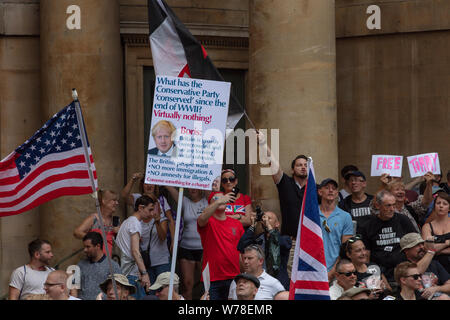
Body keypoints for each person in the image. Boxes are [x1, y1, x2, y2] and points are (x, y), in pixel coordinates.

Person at [256, 132, 307, 277]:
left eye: (305, 165)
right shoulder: (286, 184)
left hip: (310, 242)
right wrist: (263, 143)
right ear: (293, 169)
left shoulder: (315, 188)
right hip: (292, 243)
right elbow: (273, 165)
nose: (303, 167)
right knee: (291, 280)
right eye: (299, 165)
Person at [358, 190, 417, 283]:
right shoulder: (368, 225)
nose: (392, 209)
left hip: (403, 270)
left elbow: (416, 244)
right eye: (388, 205)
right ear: (378, 206)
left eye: (394, 205)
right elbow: (366, 255)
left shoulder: (403, 220)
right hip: (380, 272)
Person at [197, 192, 244, 300]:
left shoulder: (236, 223)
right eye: (216, 198)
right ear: (210, 205)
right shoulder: (208, 222)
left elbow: (242, 252)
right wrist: (219, 201)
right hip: (212, 279)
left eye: (223, 197)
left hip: (234, 277)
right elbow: (202, 218)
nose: (221, 199)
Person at [166, 186, 208, 299]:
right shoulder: (185, 202)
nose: (193, 189)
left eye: (196, 187)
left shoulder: (208, 201)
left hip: (204, 248)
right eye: (190, 187)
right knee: (187, 284)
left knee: (207, 283)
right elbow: (171, 189)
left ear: (201, 188)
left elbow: (212, 187)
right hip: (186, 248)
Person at [121, 173, 176, 253]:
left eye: (152, 183)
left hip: (159, 250)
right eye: (146, 183)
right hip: (141, 248)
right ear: (142, 185)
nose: (149, 186)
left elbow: (170, 220)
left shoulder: (162, 200)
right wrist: (133, 179)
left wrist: (174, 241)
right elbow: (124, 196)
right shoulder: (137, 198)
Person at [237, 209, 291, 290]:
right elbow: (241, 246)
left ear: (277, 224)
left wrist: (269, 227)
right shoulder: (259, 239)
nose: (266, 220)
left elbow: (279, 242)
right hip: (262, 283)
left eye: (269, 218)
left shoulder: (285, 239)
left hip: (279, 281)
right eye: (264, 218)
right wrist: (252, 225)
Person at [115, 195, 156, 299]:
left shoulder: (128, 221)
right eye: (150, 209)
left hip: (126, 273)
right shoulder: (135, 223)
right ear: (141, 208)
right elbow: (135, 251)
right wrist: (144, 273)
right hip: (130, 275)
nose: (152, 213)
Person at [318, 178, 353, 279]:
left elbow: (345, 247)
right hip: (315, 268)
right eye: (327, 188)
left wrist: (333, 270)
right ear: (320, 192)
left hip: (336, 269)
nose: (331, 190)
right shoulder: (311, 215)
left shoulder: (345, 216)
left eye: (333, 188)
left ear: (337, 193)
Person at [71, 232, 121, 300]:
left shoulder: (113, 266)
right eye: (84, 247)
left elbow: (118, 290)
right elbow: (74, 286)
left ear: (98, 246)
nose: (85, 250)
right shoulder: (81, 264)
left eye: (88, 247)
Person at [400, 232, 450, 299]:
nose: (422, 247)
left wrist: (436, 288)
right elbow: (417, 271)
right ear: (406, 250)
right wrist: (431, 251)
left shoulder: (434, 263)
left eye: (422, 244)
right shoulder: (403, 266)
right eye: (417, 245)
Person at [73, 189, 120, 257]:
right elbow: (77, 232)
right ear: (104, 201)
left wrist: (120, 233)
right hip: (95, 261)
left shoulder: (116, 221)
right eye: (114, 200)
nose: (117, 203)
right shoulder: (94, 219)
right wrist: (94, 239)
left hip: (112, 262)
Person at [139, 192, 171, 289]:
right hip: (146, 264)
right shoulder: (138, 222)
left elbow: (162, 237)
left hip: (162, 262)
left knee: (164, 291)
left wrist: (157, 222)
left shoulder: (162, 220)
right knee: (151, 292)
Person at [421, 192, 450, 271]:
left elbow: (432, 250)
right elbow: (427, 249)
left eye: (445, 204)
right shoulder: (427, 227)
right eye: (438, 203)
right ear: (434, 206)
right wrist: (447, 243)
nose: (441, 206)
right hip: (435, 265)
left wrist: (438, 251)